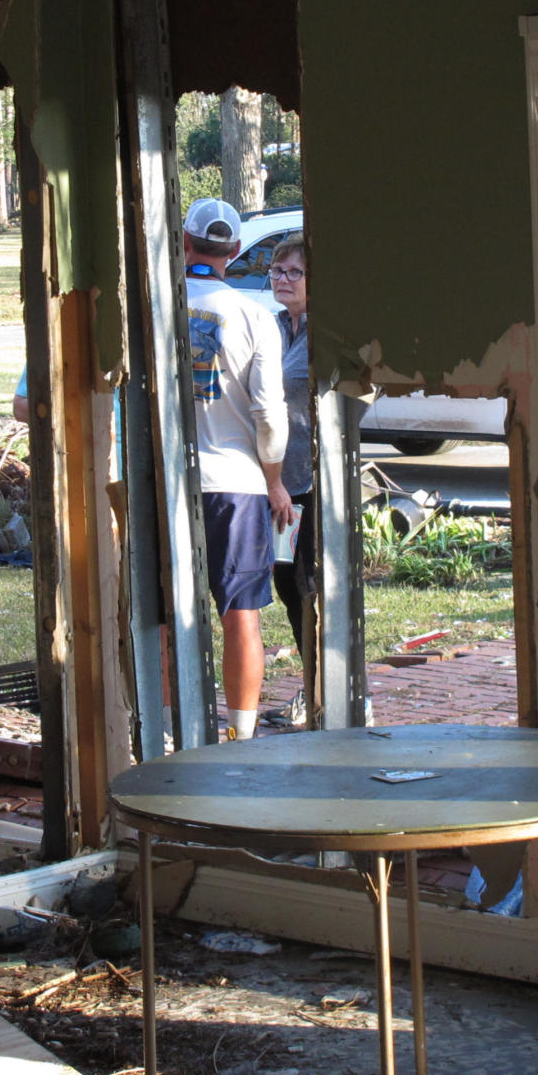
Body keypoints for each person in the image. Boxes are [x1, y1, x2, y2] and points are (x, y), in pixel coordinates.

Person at [182, 197, 291, 742]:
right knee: (240, 609)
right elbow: (269, 412)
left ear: (185, 243)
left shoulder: (154, 304)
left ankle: (166, 729)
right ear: (234, 250)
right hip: (237, 483)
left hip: (166, 481)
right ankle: (241, 735)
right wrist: (275, 482)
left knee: (162, 613)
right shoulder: (254, 315)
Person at [263, 232, 314, 729]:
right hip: (277, 478)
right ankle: (313, 686)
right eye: (277, 271)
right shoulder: (274, 327)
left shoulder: (324, 334)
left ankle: (326, 691)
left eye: (294, 272)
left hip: (311, 480)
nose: (282, 280)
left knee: (309, 585)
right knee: (285, 581)